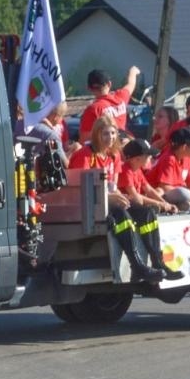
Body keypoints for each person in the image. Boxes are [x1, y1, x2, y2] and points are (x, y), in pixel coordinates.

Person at [70, 119, 157, 282]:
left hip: (108, 200)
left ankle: (157, 262)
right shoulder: (85, 155)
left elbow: (113, 186)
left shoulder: (114, 155)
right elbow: (81, 191)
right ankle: (136, 265)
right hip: (88, 205)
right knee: (122, 215)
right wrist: (112, 198)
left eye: (112, 133)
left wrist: (121, 197)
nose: (110, 137)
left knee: (146, 213)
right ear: (96, 134)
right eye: (105, 133)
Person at [118, 138, 182, 279]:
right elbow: (136, 198)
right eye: (147, 155)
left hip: (137, 208)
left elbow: (149, 189)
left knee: (150, 213)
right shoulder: (126, 170)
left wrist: (165, 203)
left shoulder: (137, 170)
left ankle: (158, 261)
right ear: (136, 159)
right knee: (147, 213)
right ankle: (154, 261)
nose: (150, 158)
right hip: (126, 209)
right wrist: (160, 204)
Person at [77, 65, 141, 140]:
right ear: (109, 84)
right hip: (126, 142)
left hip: (108, 148)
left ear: (89, 88)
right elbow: (131, 84)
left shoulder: (92, 109)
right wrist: (133, 71)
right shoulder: (120, 97)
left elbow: (84, 138)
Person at [146, 126, 190, 210]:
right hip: (157, 194)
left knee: (186, 195)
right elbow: (164, 187)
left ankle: (181, 205)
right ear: (184, 147)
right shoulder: (169, 158)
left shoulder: (186, 158)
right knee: (184, 193)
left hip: (174, 194)